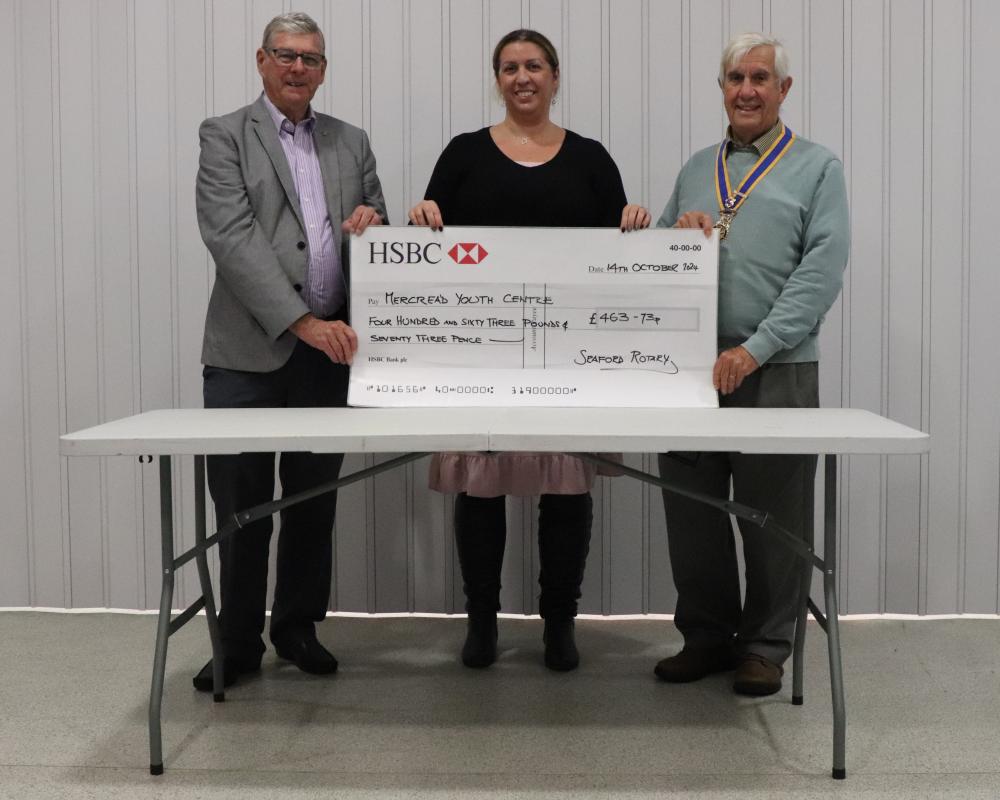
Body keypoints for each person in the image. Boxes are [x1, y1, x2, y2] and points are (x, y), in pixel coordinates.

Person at [409, 28, 649, 672]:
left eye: (535, 65)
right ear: (497, 78)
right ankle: (481, 624)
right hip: (479, 355)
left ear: (555, 76)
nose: (523, 77)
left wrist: (633, 224)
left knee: (567, 488)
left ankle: (559, 626)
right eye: (511, 67)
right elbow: (428, 246)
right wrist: (424, 216)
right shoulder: (462, 154)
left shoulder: (592, 158)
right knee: (480, 489)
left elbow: (619, 261)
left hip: (568, 358)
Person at [192, 12, 387, 692]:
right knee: (242, 507)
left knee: (313, 501)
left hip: (329, 353)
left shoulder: (350, 141)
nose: (298, 67)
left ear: (324, 69)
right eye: (285, 55)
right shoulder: (223, 136)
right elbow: (232, 240)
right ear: (261, 61)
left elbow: (376, 233)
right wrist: (303, 321)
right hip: (248, 356)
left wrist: (373, 224)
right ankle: (238, 643)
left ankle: (298, 627)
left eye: (310, 57)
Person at [652, 32, 849, 695]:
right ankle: (706, 637)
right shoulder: (696, 166)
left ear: (783, 90)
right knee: (692, 515)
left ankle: (766, 647)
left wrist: (753, 349)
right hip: (691, 375)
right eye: (735, 77)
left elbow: (819, 274)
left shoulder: (817, 169)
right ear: (722, 87)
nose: (747, 90)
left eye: (760, 78)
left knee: (775, 519)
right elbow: (656, 261)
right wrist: (671, 240)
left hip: (775, 369)